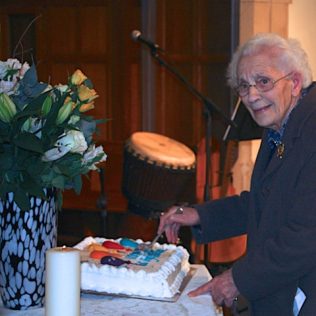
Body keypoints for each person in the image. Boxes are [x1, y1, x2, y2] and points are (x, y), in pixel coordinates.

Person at [158, 33, 316, 316]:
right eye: (244, 86)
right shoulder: (282, 124)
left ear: (293, 83)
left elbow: (306, 235)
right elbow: (265, 202)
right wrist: (199, 215)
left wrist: (237, 280)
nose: (252, 96)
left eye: (263, 81)